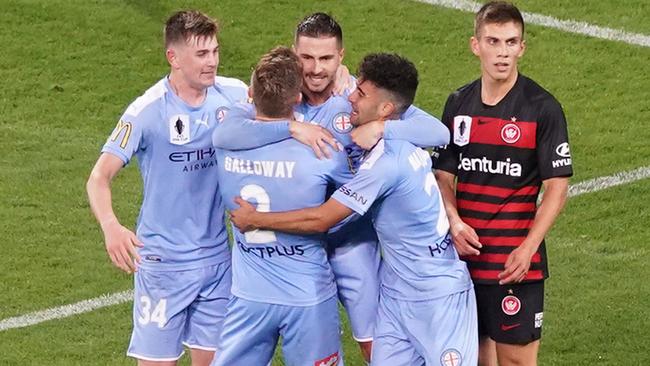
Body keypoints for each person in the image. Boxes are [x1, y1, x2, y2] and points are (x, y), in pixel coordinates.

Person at [212, 13, 446, 362]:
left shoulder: (355, 99)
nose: (316, 69)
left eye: (326, 58)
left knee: (376, 347)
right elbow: (226, 134)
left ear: (341, 57)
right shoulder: (277, 97)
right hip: (294, 253)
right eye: (307, 58)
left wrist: (383, 130)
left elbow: (438, 133)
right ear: (295, 54)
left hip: (350, 244)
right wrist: (291, 129)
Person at [85, 10, 248, 365]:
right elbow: (99, 177)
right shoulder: (146, 111)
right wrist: (110, 226)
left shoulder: (234, 94)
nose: (212, 62)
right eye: (202, 55)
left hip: (217, 260)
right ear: (173, 57)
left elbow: (283, 105)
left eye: (215, 52)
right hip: (163, 264)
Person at [433, 2, 573, 366]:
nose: (503, 52)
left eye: (511, 42)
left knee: (516, 362)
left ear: (522, 47)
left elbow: (557, 187)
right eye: (493, 41)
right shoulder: (458, 104)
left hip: (516, 263)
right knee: (477, 359)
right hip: (465, 260)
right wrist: (454, 219)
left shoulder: (542, 108)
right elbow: (443, 175)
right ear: (475, 45)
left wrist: (528, 248)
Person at [210, 46, 350, 366]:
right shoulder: (324, 150)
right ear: (298, 97)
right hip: (308, 295)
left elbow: (228, 128)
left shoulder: (227, 142)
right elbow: (352, 206)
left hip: (249, 297)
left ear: (250, 94)